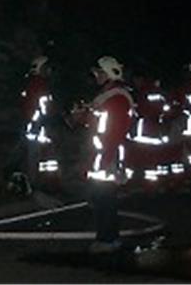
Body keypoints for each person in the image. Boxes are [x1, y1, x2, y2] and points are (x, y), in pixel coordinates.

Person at [84, 55, 134, 254]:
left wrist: (105, 160)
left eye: (99, 72)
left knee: (105, 200)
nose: (96, 76)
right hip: (101, 156)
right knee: (102, 199)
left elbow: (113, 133)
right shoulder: (109, 97)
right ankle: (106, 238)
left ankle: (108, 240)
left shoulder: (117, 100)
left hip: (107, 158)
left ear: (109, 73)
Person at [6, 55, 56, 195]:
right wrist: (38, 124)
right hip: (38, 130)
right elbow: (40, 109)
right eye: (46, 68)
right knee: (35, 159)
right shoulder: (39, 85)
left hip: (37, 129)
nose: (49, 70)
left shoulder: (32, 84)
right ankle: (35, 187)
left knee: (39, 160)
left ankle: (42, 185)